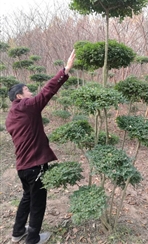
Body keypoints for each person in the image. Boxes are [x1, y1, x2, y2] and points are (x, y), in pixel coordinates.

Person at [5, 50, 76, 244]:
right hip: (35, 165)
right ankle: (33, 239)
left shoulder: (11, 116)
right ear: (19, 96)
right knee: (37, 203)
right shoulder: (27, 106)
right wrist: (65, 70)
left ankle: (18, 232)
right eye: (28, 90)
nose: (31, 93)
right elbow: (47, 92)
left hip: (22, 167)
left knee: (27, 198)